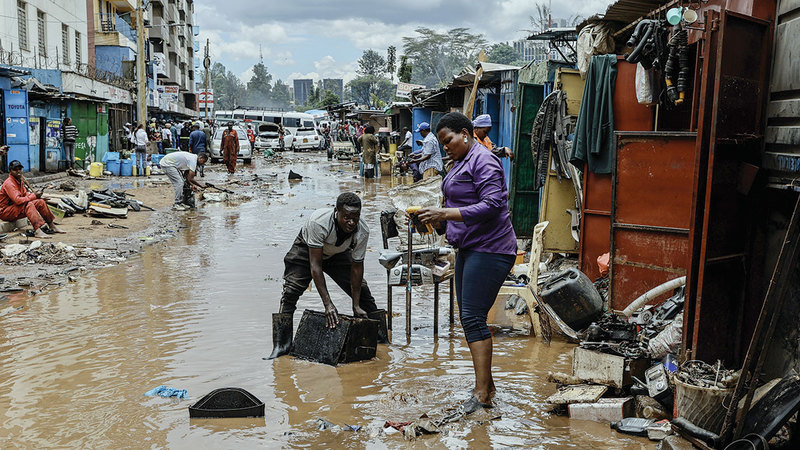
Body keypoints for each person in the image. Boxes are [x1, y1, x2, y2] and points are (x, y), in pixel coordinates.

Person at [416, 112, 517, 415]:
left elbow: (493, 204)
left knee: (473, 318)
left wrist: (444, 215)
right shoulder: (461, 161)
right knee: (469, 317)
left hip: (491, 248)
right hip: (469, 247)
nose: (445, 147)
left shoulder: (484, 160)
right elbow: (457, 203)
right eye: (442, 143)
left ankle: (482, 394)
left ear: (465, 133)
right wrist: (429, 219)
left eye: (448, 141)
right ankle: (487, 385)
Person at [267, 192, 384, 359]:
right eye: (347, 217)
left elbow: (357, 269)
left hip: (338, 253)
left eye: (355, 217)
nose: (351, 222)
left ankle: (379, 337)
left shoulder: (362, 231)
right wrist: (328, 304)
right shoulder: (319, 223)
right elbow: (316, 266)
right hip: (307, 250)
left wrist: (355, 305)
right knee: (291, 291)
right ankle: (281, 345)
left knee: (363, 292)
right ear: (336, 211)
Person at [0, 160, 66, 238]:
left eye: (20, 169)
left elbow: (25, 195)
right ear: (10, 171)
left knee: (40, 202)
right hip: (5, 212)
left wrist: (37, 197)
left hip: (15, 208)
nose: (18, 171)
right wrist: (34, 196)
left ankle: (51, 225)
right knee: (29, 205)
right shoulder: (9, 183)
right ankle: (38, 230)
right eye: (15, 170)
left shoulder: (19, 181)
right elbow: (18, 200)